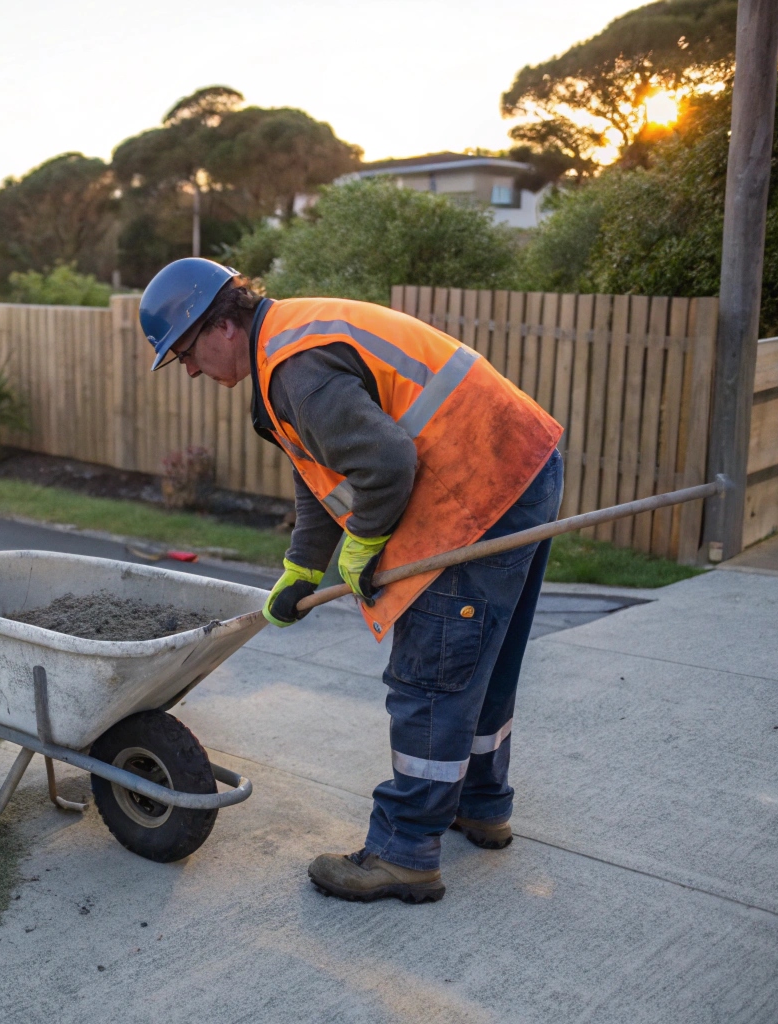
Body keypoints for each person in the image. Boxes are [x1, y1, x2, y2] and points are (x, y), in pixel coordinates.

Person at [139, 258, 563, 903]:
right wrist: (303, 566)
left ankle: (403, 852)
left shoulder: (294, 372)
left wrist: (362, 545)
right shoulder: (288, 343)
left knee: (432, 674)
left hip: (474, 493)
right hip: (516, 468)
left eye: (187, 353)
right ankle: (480, 804)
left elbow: (387, 461)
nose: (192, 370)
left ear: (219, 323)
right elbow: (323, 471)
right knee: (483, 665)